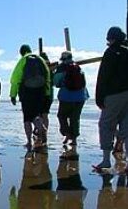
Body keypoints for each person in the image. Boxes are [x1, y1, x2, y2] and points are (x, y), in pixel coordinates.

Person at [95, 26, 128, 170]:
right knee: (126, 127)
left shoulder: (111, 52)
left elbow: (103, 76)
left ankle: (106, 160)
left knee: (106, 125)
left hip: (113, 94)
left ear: (111, 38)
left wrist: (99, 98)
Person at [10, 44, 51, 148]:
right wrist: (47, 93)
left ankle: (29, 141)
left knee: (27, 118)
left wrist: (13, 95)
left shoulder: (23, 60)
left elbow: (15, 79)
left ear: (21, 52)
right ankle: (41, 133)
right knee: (37, 114)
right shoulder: (40, 59)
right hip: (41, 91)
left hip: (26, 92)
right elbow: (47, 76)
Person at [54, 51, 89, 146]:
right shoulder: (78, 67)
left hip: (67, 97)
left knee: (62, 116)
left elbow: (56, 83)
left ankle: (67, 133)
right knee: (75, 118)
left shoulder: (61, 68)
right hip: (81, 96)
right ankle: (74, 139)